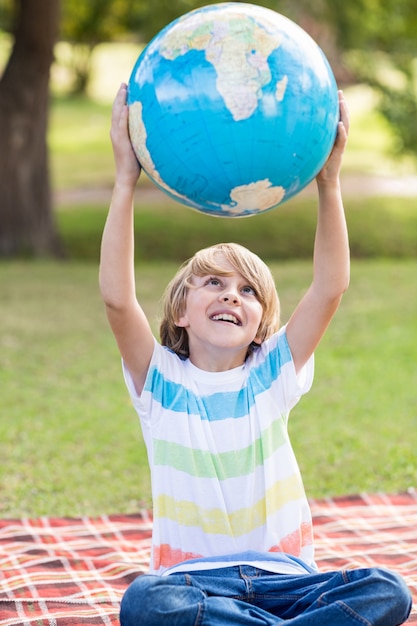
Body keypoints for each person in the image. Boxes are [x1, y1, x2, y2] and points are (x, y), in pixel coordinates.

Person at [99, 84, 412, 626]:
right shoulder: (159, 381)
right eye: (213, 284)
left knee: (386, 588)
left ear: (262, 324)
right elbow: (116, 298)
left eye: (247, 292)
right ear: (180, 311)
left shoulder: (272, 373)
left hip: (288, 579)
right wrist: (126, 177)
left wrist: (329, 183)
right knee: (144, 601)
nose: (230, 295)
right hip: (194, 585)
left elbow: (330, 286)